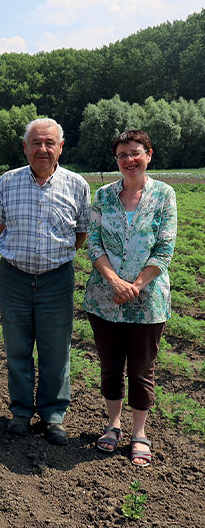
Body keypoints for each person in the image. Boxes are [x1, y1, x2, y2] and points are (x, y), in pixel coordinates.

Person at [0, 118, 91, 445]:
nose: (42, 149)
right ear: (25, 147)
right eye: (36, 143)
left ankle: (53, 415)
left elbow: (80, 234)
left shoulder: (77, 185)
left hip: (56, 280)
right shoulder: (8, 182)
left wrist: (52, 259)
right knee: (18, 348)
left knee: (56, 350)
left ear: (61, 147)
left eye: (50, 143)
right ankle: (21, 411)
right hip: (15, 277)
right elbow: (2, 226)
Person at [83, 130, 176, 467]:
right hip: (104, 298)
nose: (129, 160)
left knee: (140, 370)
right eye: (122, 155)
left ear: (148, 154)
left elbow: (164, 248)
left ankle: (139, 433)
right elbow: (94, 244)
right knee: (110, 367)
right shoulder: (104, 195)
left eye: (135, 153)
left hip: (147, 301)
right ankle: (112, 425)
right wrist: (114, 281)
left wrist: (134, 285)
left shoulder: (164, 195)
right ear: (117, 161)